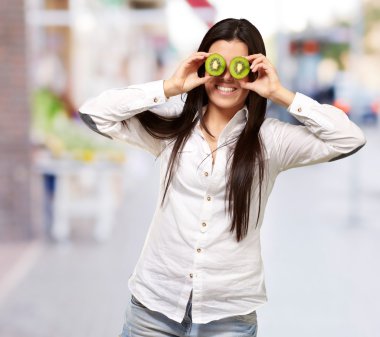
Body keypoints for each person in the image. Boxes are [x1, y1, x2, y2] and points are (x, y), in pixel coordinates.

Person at [78, 18, 366, 337]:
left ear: (254, 71)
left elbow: (349, 138)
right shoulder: (172, 128)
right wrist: (170, 86)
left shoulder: (270, 140)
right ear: (203, 66)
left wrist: (281, 93)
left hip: (229, 316)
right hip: (153, 307)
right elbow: (95, 112)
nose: (227, 76)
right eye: (218, 65)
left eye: (238, 67)